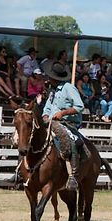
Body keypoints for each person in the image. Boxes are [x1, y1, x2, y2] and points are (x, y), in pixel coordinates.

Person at [42, 61, 84, 191]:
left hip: (68, 123)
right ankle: (22, 172)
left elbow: (79, 106)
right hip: (50, 123)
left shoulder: (68, 88)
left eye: (50, 76)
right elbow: (47, 109)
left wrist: (63, 113)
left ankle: (73, 176)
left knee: (71, 141)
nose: (48, 78)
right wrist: (44, 117)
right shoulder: (52, 91)